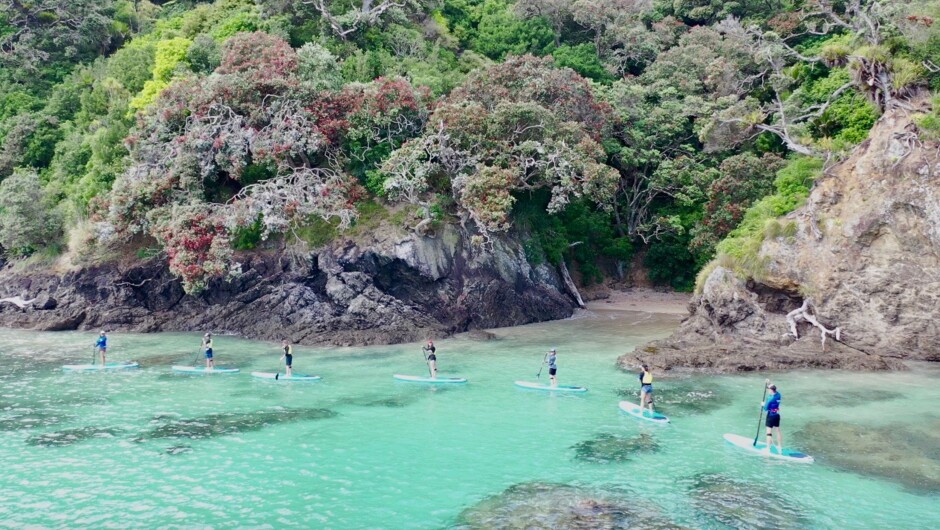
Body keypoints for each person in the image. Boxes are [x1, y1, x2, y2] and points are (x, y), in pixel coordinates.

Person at [762, 383, 783, 453]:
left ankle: (768, 448)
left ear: (771, 390)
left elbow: (765, 408)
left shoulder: (770, 398)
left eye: (768, 389)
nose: (768, 390)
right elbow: (774, 390)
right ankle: (780, 447)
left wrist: (762, 404)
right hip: (777, 415)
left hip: (770, 416)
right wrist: (770, 383)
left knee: (768, 433)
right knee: (778, 430)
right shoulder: (778, 395)